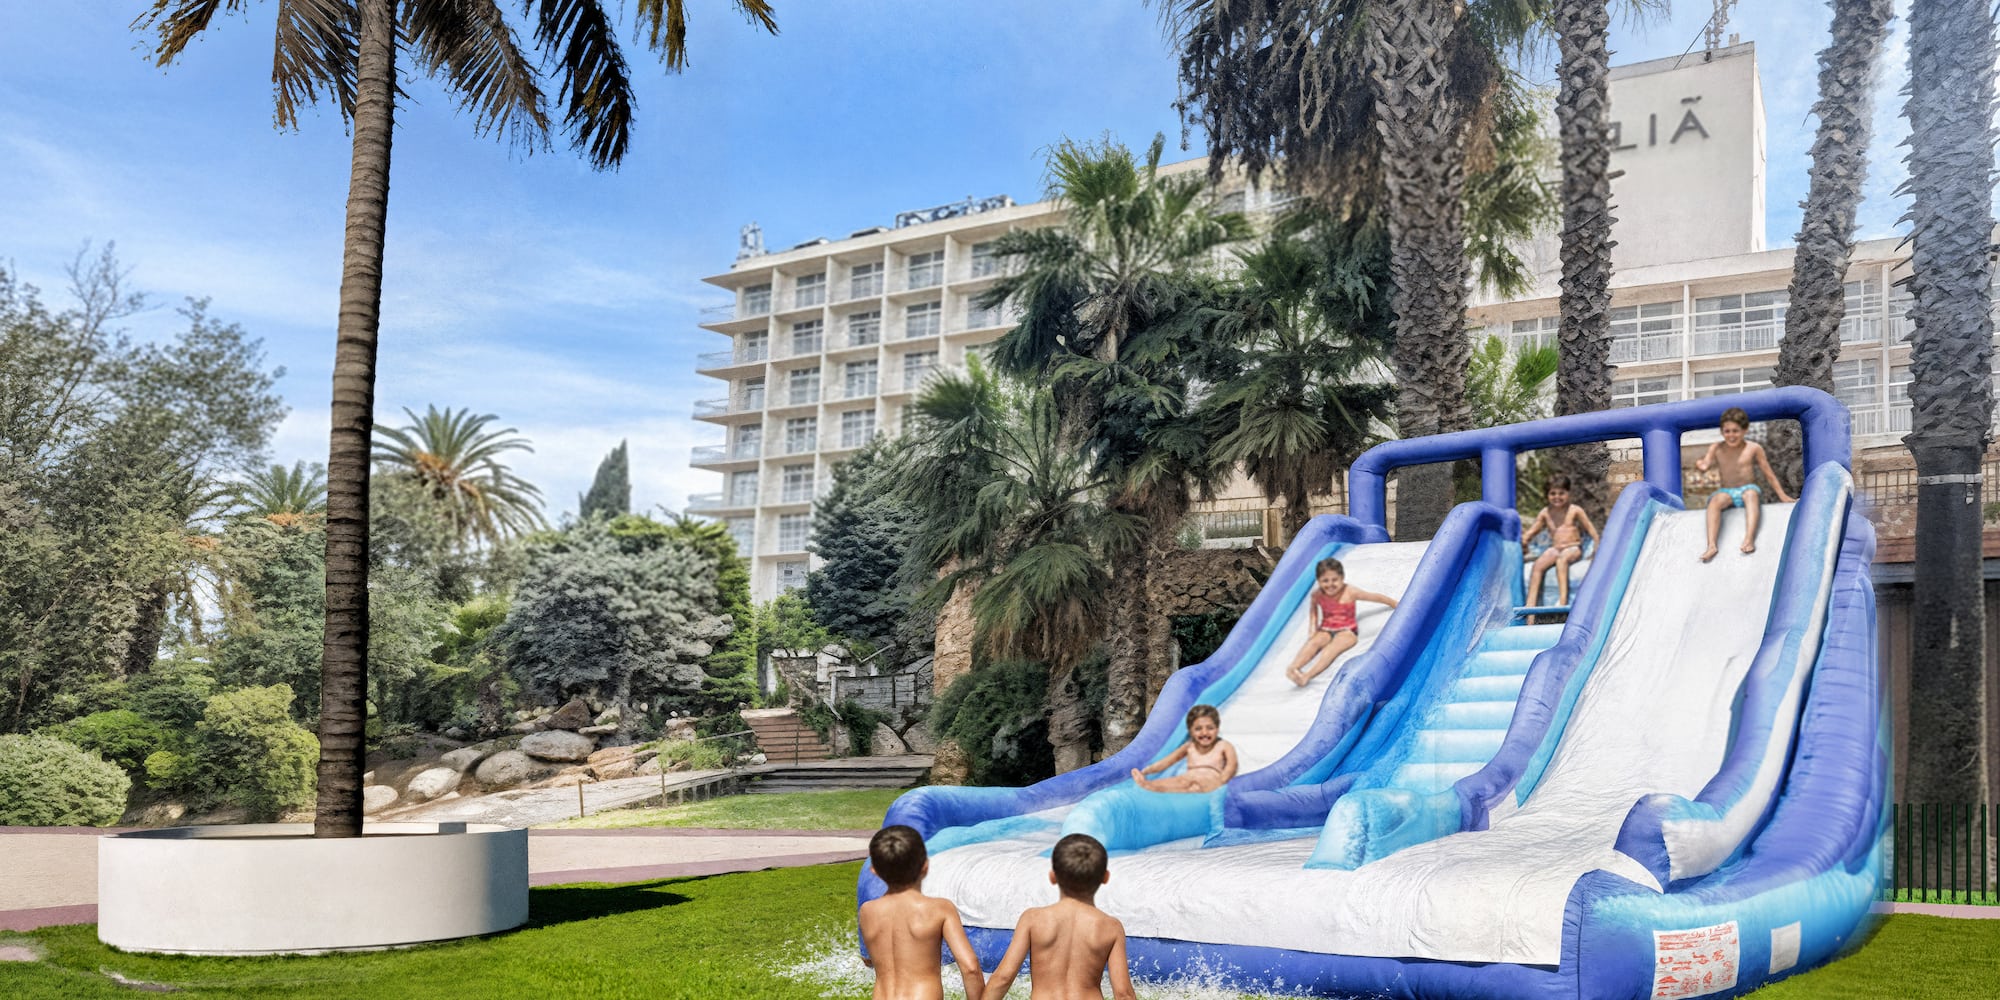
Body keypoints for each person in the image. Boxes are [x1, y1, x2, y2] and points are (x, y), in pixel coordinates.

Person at [982, 833, 1137, 1000]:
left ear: (1053, 876)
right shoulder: (1110, 927)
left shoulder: (1033, 919)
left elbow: (1003, 978)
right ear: (1105, 877)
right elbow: (1123, 994)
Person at [858, 825, 986, 1000]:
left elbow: (871, 959)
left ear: (874, 871)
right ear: (925, 866)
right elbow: (970, 968)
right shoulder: (940, 909)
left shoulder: (867, 911)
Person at [1695, 407, 1796, 562]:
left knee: (1751, 495)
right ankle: (1711, 545)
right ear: (1722, 432)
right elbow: (1706, 463)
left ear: (1745, 430)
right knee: (1715, 501)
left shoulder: (1753, 448)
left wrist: (1783, 496)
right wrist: (1702, 465)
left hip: (1747, 488)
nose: (1731, 435)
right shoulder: (1716, 447)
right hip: (1727, 491)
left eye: (1735, 431)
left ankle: (1749, 539)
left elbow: (1768, 474)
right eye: (1727, 431)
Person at [1283, 557, 1399, 687]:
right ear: (1319, 581)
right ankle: (1293, 668)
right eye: (1325, 581)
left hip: (1347, 631)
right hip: (1326, 629)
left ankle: (1307, 676)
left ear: (1342, 578)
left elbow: (1374, 597)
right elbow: (1313, 613)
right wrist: (1313, 629)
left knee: (1330, 650)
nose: (1330, 584)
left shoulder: (1350, 591)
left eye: (1334, 580)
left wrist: (1393, 603)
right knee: (1313, 643)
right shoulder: (1317, 595)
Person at [1522, 474, 1601, 607]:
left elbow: (1592, 532)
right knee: (1537, 566)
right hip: (1556, 548)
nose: (1557, 497)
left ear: (1568, 493)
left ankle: (1563, 601)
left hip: (1573, 548)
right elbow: (1533, 530)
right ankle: (1530, 608)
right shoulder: (1545, 513)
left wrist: (1595, 551)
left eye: (1561, 493)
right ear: (1547, 495)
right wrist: (1524, 540)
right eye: (1553, 493)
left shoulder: (1575, 510)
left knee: (1562, 560)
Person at [1129, 704, 1237, 793]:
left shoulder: (1223, 745)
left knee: (1196, 786)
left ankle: (1151, 787)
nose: (1205, 732)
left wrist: (1222, 780)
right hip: (1188, 778)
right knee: (1176, 781)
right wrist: (1148, 770)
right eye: (1198, 729)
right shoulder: (1189, 746)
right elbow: (1168, 761)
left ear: (1217, 729)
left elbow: (1232, 766)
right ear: (1191, 731)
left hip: (1211, 780)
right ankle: (1148, 785)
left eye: (1210, 728)